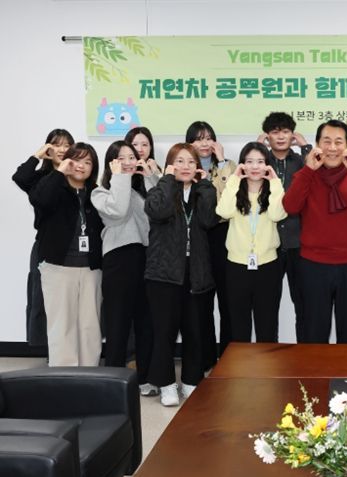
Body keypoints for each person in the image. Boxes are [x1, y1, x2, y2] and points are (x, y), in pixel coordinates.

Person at [283, 120, 347, 343]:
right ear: (317, 144)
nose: (332, 148)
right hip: (313, 265)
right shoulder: (306, 175)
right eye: (326, 141)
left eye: (338, 142)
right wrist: (308, 170)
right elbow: (290, 206)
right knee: (314, 329)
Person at [144, 143, 218, 406]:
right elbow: (158, 211)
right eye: (179, 161)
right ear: (170, 165)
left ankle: (190, 380)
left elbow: (209, 220)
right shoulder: (160, 190)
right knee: (164, 332)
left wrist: (206, 185)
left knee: (194, 330)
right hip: (164, 274)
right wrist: (167, 180)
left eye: (190, 162)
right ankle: (166, 384)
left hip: (196, 272)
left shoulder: (202, 192)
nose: (185, 167)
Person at [91, 140, 159, 396]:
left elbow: (160, 209)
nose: (129, 162)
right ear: (112, 163)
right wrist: (120, 177)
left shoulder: (139, 190)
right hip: (118, 261)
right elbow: (118, 211)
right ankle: (113, 384)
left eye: (132, 157)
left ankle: (144, 379)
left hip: (146, 257)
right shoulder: (100, 192)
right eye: (122, 158)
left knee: (146, 323)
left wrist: (150, 177)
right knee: (117, 325)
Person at [29, 143, 104, 366]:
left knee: (90, 326)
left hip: (91, 269)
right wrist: (60, 171)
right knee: (61, 326)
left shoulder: (96, 193)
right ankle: (63, 376)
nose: (81, 166)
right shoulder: (54, 188)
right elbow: (39, 199)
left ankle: (89, 373)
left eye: (87, 162)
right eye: (76, 159)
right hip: (58, 268)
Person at [216, 142, 286, 343]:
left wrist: (275, 183)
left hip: (268, 266)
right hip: (237, 266)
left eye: (260, 161)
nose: (255, 166)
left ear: (268, 165)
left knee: (267, 325)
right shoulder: (235, 190)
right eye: (249, 161)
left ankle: (267, 364)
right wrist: (234, 180)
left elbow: (277, 215)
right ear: (242, 165)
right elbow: (223, 212)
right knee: (239, 327)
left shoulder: (274, 191)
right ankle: (240, 365)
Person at [13, 129, 75, 347]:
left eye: (67, 145)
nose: (62, 149)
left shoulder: (76, 175)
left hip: (74, 249)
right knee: (43, 300)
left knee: (71, 302)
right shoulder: (40, 178)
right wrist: (37, 155)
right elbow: (20, 177)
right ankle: (50, 350)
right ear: (49, 148)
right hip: (46, 247)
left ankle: (70, 348)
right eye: (56, 144)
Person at [185, 121, 236, 364]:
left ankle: (228, 358)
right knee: (201, 302)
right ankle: (204, 359)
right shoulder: (184, 168)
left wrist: (223, 162)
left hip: (223, 235)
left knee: (227, 301)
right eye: (198, 139)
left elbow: (230, 198)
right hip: (196, 237)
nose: (204, 143)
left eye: (208, 138)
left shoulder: (229, 166)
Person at [257, 112, 311, 339]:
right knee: (267, 305)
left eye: (286, 132)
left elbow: (319, 172)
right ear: (267, 136)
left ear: (293, 135)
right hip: (269, 244)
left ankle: (304, 352)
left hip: (298, 241)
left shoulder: (301, 162)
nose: (280, 137)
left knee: (304, 303)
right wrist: (256, 149)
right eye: (275, 132)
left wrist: (306, 147)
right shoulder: (260, 162)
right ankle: (270, 353)